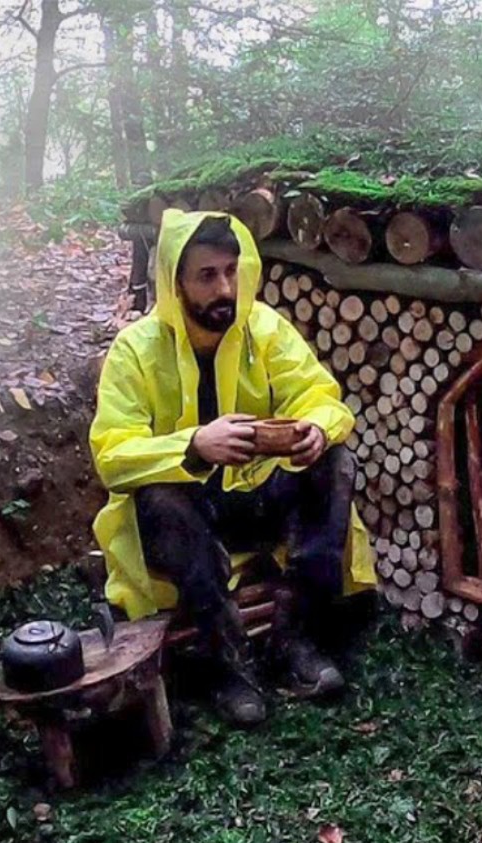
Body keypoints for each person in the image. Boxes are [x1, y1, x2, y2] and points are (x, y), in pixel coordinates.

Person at [89, 209, 376, 726]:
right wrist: (195, 445)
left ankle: (297, 638)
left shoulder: (263, 329)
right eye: (207, 276)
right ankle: (226, 663)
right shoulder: (134, 352)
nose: (225, 288)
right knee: (157, 495)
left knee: (336, 460)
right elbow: (112, 455)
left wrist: (315, 428)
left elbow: (320, 397)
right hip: (184, 520)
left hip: (255, 498)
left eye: (231, 271)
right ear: (176, 284)